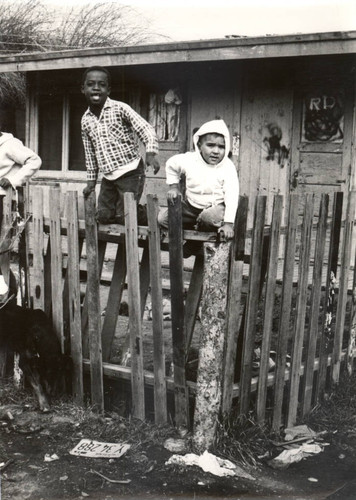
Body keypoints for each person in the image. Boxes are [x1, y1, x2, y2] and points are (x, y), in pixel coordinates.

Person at [81, 66, 160, 224]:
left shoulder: (120, 108)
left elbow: (145, 128)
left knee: (125, 215)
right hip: (108, 177)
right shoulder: (85, 120)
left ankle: (150, 216)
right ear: (83, 89)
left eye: (101, 85)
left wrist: (150, 153)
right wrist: (91, 182)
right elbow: (90, 155)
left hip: (130, 171)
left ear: (108, 90)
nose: (96, 88)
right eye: (91, 84)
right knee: (103, 216)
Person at [158, 119, 239, 250]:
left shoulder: (227, 167)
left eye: (221, 147)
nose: (216, 151)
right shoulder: (189, 159)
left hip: (215, 209)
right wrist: (174, 187)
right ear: (199, 144)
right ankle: (192, 231)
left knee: (208, 217)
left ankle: (195, 243)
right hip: (190, 207)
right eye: (210, 145)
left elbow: (232, 195)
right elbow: (171, 164)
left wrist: (229, 223)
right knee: (163, 219)